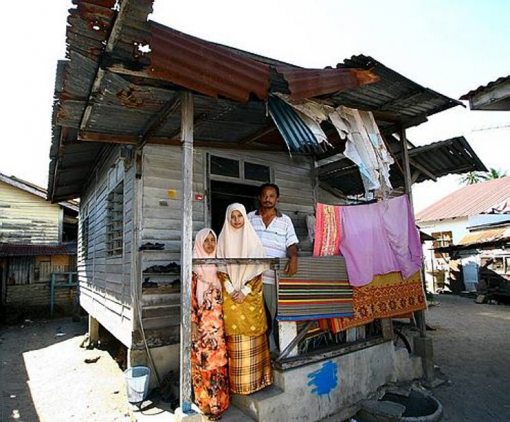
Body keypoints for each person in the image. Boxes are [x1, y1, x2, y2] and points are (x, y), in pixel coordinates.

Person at [216, 203, 273, 395]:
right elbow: (221, 270)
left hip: (250, 298)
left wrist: (245, 291)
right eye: (232, 217)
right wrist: (232, 290)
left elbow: (258, 271)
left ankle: (258, 381)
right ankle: (240, 386)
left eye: (239, 216)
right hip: (231, 298)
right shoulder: (223, 241)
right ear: (228, 219)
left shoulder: (253, 241)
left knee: (254, 340)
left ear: (244, 218)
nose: (236, 220)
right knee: (235, 342)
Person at [248, 183, 299, 352]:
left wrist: (293, 257)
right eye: (264, 195)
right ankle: (258, 352)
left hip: (272, 278)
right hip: (252, 277)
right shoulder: (249, 218)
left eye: (271, 196)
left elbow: (291, 243)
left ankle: (273, 351)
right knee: (254, 317)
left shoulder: (285, 220)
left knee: (273, 315)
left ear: (277, 199)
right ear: (259, 197)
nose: (267, 199)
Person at [191, 228, 229, 420]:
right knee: (203, 364)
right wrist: (192, 324)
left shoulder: (219, 266)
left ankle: (219, 404)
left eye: (212, 240)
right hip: (202, 328)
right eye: (205, 241)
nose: (209, 244)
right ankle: (206, 405)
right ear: (199, 243)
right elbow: (189, 298)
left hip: (219, 328)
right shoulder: (194, 269)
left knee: (219, 364)